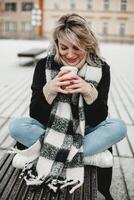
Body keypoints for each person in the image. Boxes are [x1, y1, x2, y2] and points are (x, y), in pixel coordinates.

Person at [9, 13, 127, 199]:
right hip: (51, 129)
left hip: (86, 129)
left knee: (118, 127)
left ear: (87, 45)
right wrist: (49, 90)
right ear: (56, 44)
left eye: (77, 48)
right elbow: (36, 115)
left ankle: (49, 153)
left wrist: (88, 92)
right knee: (16, 126)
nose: (70, 55)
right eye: (63, 47)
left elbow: (99, 117)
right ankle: (86, 156)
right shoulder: (43, 66)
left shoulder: (102, 69)